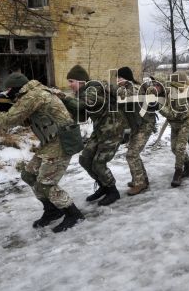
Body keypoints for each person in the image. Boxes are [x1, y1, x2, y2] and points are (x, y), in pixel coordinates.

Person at [0, 73, 85, 232]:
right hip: (51, 141)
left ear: (14, 88)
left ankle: (73, 214)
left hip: (61, 140)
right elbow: (28, 119)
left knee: (46, 183)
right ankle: (52, 210)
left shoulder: (32, 96)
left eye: (8, 90)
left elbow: (7, 122)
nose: (7, 93)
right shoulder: (32, 94)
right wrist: (6, 107)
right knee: (28, 175)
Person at [63, 65, 125, 206]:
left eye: (71, 81)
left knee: (99, 163)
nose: (69, 85)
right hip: (100, 131)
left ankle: (113, 191)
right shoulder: (82, 92)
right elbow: (82, 115)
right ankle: (103, 186)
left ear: (81, 81)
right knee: (85, 159)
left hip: (113, 130)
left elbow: (82, 105)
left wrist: (64, 98)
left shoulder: (92, 90)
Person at [117, 67, 158, 196]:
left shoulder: (134, 88)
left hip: (146, 124)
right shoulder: (126, 88)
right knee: (133, 153)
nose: (118, 80)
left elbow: (127, 97)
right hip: (138, 125)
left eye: (120, 78)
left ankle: (140, 183)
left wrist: (110, 90)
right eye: (117, 78)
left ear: (127, 78)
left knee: (132, 154)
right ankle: (141, 178)